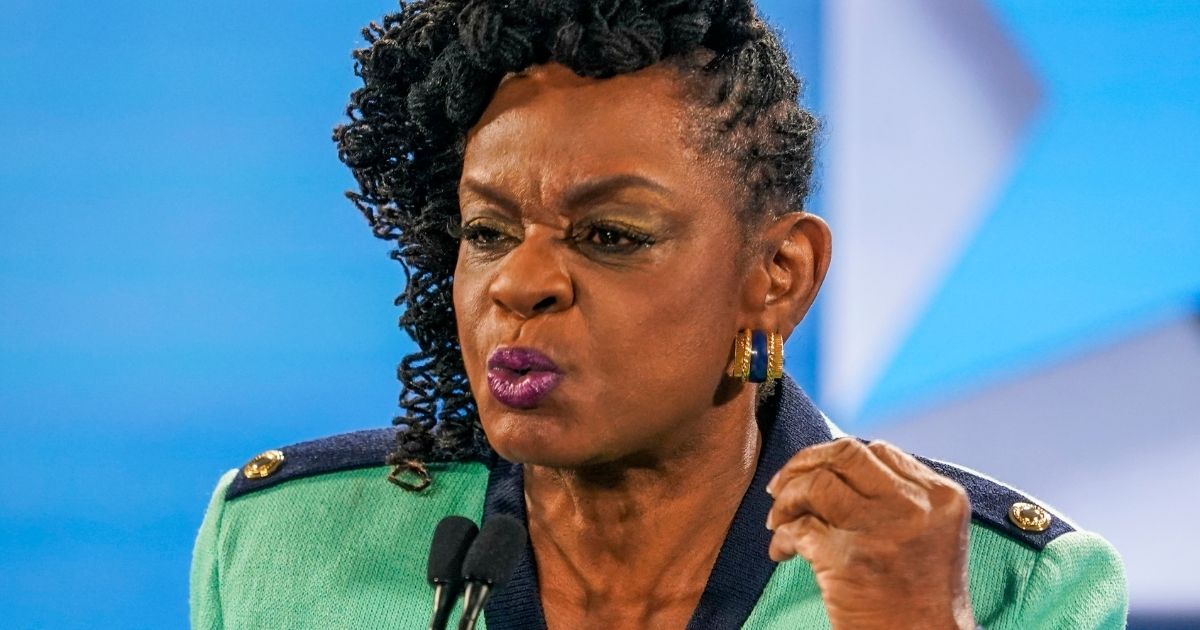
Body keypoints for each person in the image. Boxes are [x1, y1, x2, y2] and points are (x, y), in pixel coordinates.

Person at [190, 1, 1127, 628]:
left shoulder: (1015, 585)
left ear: (778, 275)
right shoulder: (283, 543)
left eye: (610, 235)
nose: (520, 284)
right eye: (487, 229)